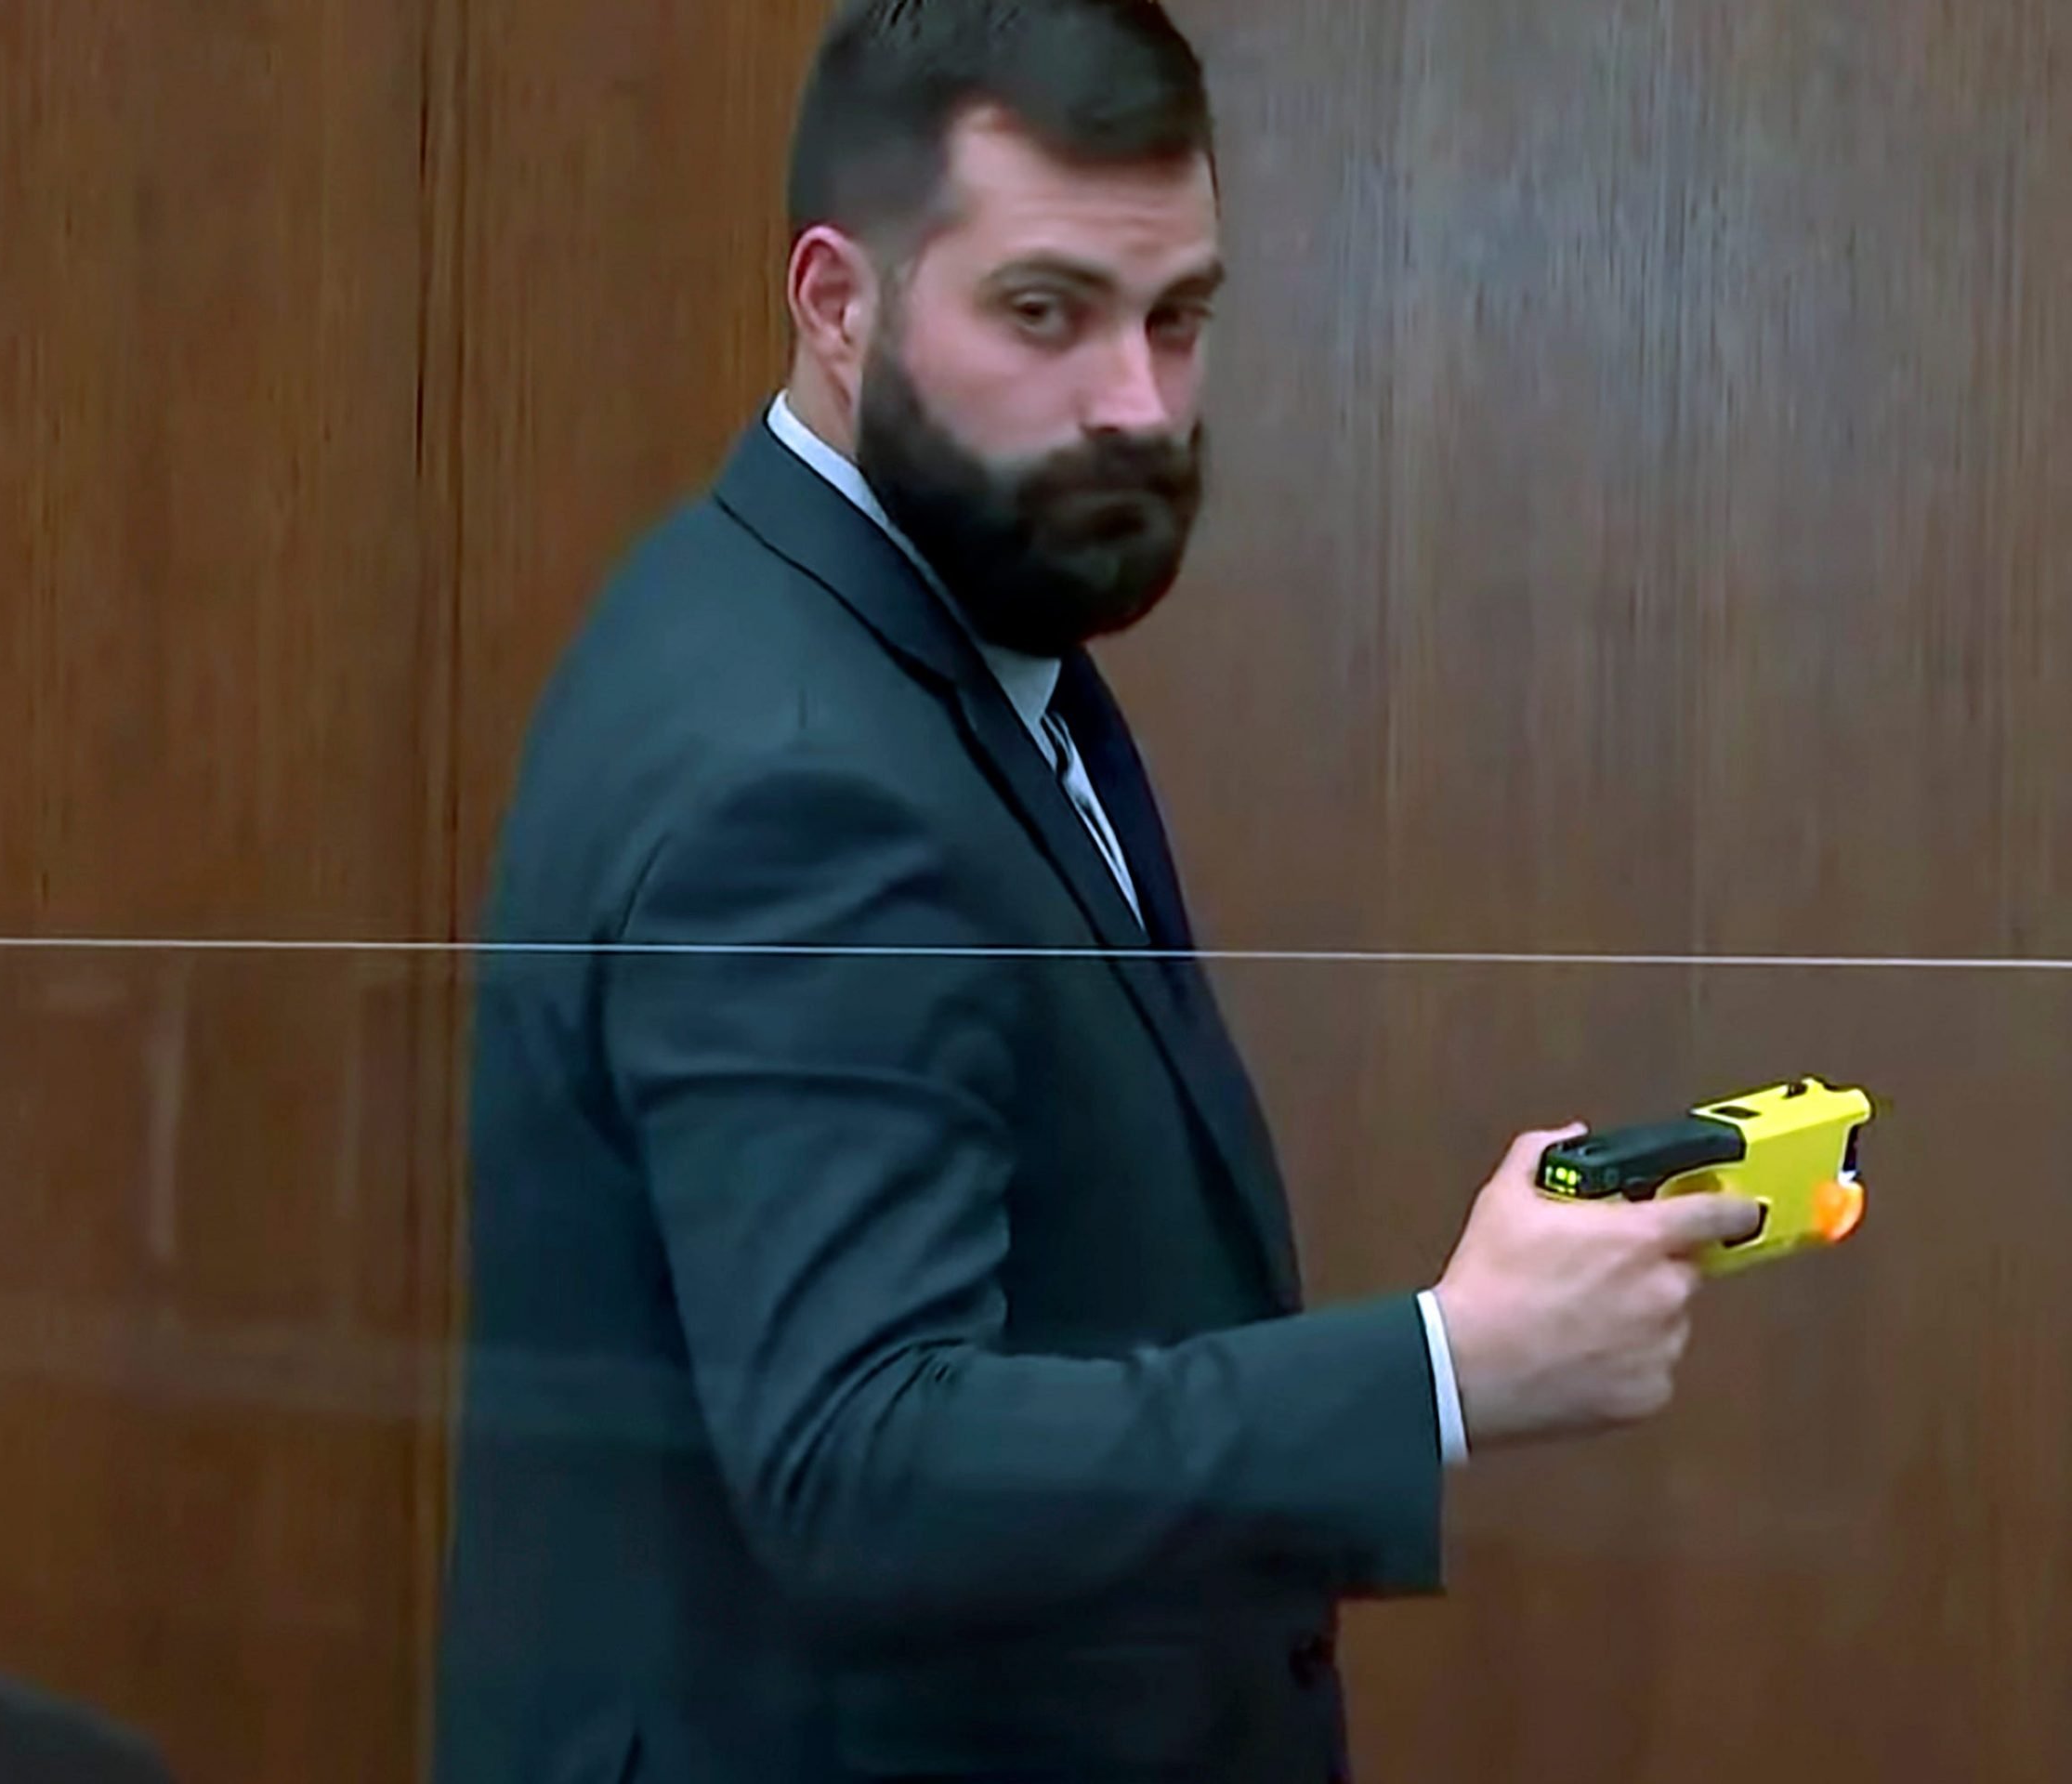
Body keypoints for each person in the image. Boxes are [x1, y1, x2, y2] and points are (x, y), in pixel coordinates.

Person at [433, 3, 1763, 1781]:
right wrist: (1447, 1369)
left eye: (1179, 318)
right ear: (838, 304)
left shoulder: (907, 623)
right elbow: (860, 1462)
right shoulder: (798, 767)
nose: (1135, 403)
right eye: (1044, 314)